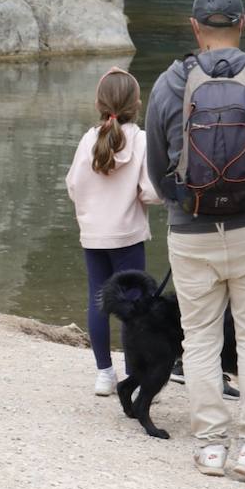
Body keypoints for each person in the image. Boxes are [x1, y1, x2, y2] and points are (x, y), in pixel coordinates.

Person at [145, 0, 245, 484]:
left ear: (194, 27)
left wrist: (185, 202)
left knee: (201, 338)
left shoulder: (169, 83)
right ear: (243, 23)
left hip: (191, 232)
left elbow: (155, 166)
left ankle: (210, 447)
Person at [65, 66, 161, 396]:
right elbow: (151, 192)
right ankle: (134, 377)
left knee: (98, 301)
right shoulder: (143, 140)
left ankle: (104, 375)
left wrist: (89, 213)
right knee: (136, 307)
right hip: (128, 237)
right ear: (137, 103)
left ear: (98, 103)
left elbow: (73, 184)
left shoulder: (89, 139)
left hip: (93, 235)